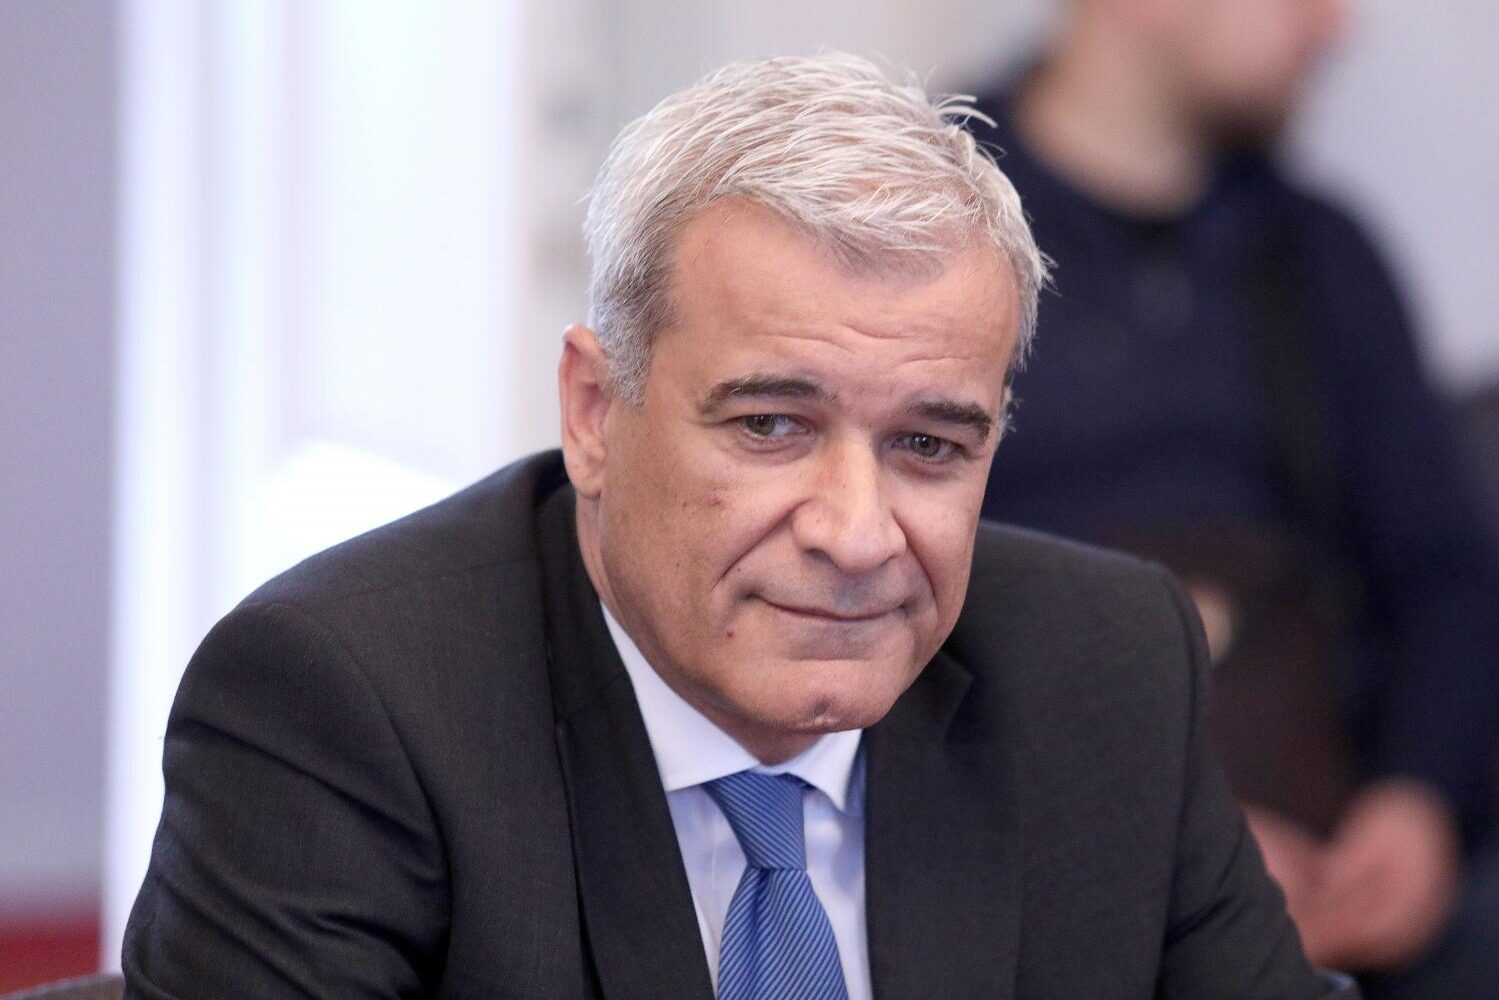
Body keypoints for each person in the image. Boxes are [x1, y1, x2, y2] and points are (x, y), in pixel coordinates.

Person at [120, 54, 1353, 999]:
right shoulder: (344, 704)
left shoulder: (1105, 667)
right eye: (770, 426)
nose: (857, 535)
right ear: (594, 412)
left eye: (928, 446)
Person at [975, 1, 1499, 997]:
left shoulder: (1320, 257)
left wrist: (1420, 804)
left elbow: (1447, 584)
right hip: (1042, 850)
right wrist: (1180, 840)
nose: (1332, 29)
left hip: (1337, 849)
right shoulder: (933, 235)